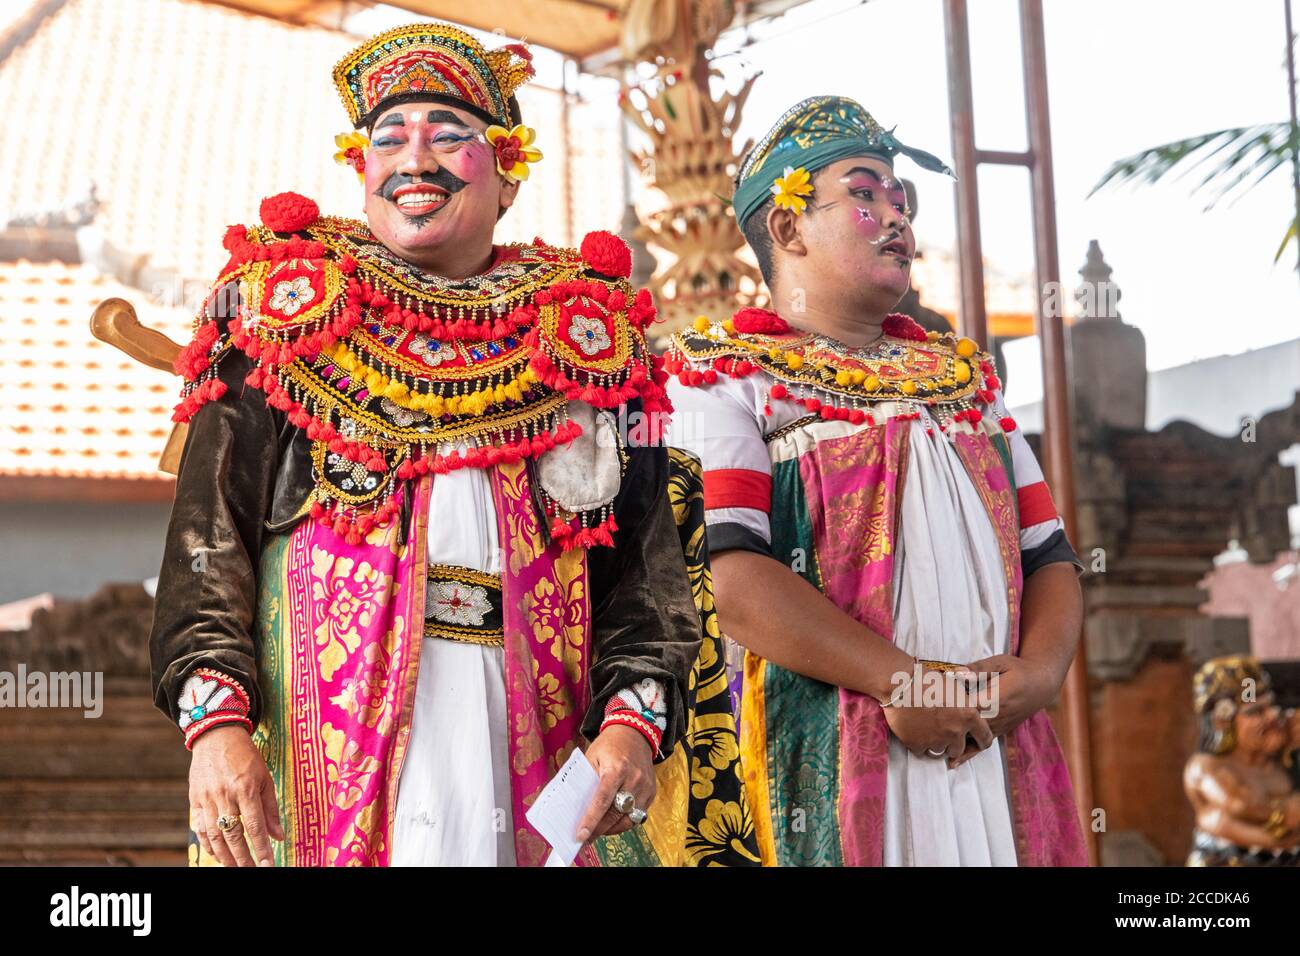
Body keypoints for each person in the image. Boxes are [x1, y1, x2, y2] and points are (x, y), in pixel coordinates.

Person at [149, 21, 754, 867]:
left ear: (506, 177)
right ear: (361, 169)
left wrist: (632, 725)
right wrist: (214, 730)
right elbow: (208, 546)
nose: (415, 159)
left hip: (537, 746)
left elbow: (649, 579)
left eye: (451, 136)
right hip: (326, 750)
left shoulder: (591, 341)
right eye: (389, 137)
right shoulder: (282, 314)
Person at [664, 95, 1089, 866]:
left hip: (993, 741)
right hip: (830, 748)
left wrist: (1040, 674)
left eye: (903, 201)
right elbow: (732, 574)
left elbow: (1049, 556)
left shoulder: (967, 383)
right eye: (864, 194)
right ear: (787, 228)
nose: (897, 218)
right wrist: (904, 684)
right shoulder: (724, 378)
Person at [1184, 655, 1300, 866]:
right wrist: (1285, 818)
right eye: (1256, 711)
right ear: (1223, 721)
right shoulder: (1206, 767)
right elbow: (1243, 805)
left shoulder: (1282, 759)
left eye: (1271, 706)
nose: (1273, 715)